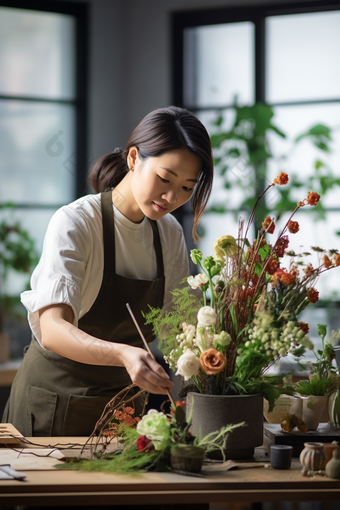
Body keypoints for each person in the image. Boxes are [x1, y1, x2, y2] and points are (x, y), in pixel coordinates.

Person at [2, 106, 213, 437]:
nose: (172, 197)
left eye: (187, 188)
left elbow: (180, 329)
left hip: (122, 405)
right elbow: (53, 328)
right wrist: (124, 355)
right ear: (133, 159)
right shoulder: (76, 222)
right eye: (164, 178)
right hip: (50, 402)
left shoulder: (168, 232)